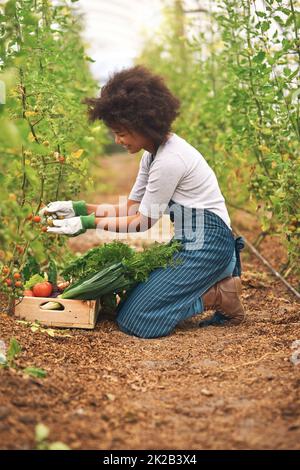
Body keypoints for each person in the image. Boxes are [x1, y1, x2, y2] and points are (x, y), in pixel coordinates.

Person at [41, 65, 246, 339]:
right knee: (126, 305)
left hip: (208, 246)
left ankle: (220, 295)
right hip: (191, 240)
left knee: (136, 320)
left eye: (122, 132)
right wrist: (78, 208)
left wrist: (88, 224)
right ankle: (217, 284)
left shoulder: (170, 159)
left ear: (143, 124)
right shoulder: (152, 154)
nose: (118, 140)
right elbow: (131, 207)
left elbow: (141, 223)